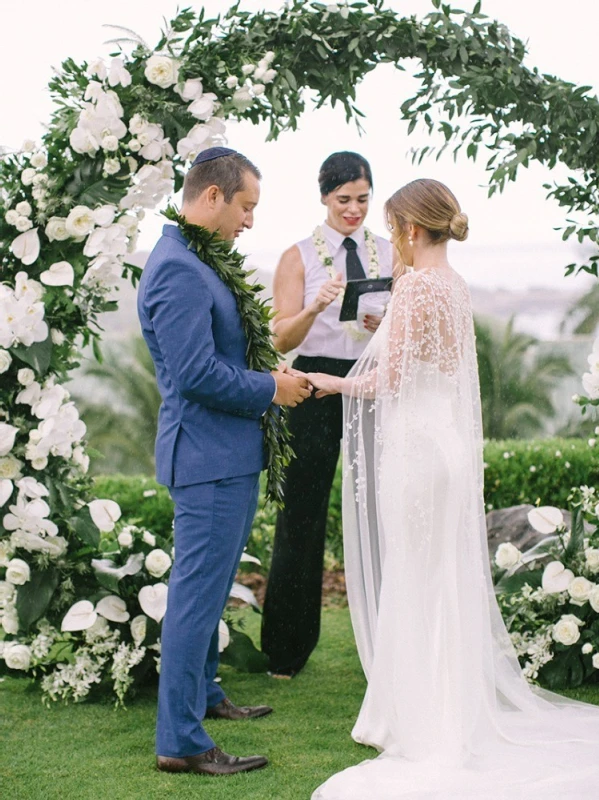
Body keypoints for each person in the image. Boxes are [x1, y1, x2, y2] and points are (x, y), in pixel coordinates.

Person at [308, 179, 599, 799]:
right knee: (440, 573)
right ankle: (443, 707)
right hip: (444, 446)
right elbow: (436, 366)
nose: (392, 242)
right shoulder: (455, 287)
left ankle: (418, 718)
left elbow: (390, 380)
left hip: (415, 450)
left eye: (392, 230)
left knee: (417, 572)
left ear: (412, 230)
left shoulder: (415, 288)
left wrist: (329, 384)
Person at [137, 147, 311, 777]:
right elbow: (194, 375)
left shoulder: (195, 258)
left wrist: (267, 373)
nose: (249, 221)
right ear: (212, 197)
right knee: (194, 596)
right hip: (207, 456)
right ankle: (180, 740)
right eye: (246, 207)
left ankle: (205, 695)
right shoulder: (179, 269)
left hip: (227, 452)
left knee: (208, 591)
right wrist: (272, 389)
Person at [261, 151, 394, 678]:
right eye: (344, 200)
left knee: (380, 509)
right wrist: (315, 307)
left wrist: (380, 319)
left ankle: (388, 643)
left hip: (370, 380)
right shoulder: (297, 257)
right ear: (324, 197)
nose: (354, 210)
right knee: (301, 512)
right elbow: (280, 337)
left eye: (363, 199)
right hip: (313, 381)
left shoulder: (389, 252)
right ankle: (286, 650)